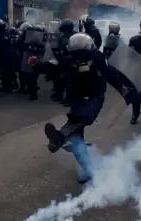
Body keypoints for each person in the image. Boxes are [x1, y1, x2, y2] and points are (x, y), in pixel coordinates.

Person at [28, 33, 129, 184]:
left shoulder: (97, 58)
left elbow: (110, 73)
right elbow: (51, 67)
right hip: (78, 99)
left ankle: (60, 138)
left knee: (81, 118)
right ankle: (87, 169)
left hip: (93, 99)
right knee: (76, 137)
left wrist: (121, 86)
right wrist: (36, 65)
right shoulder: (71, 60)